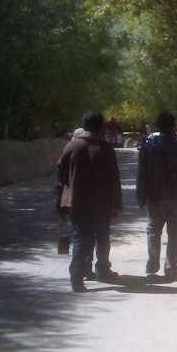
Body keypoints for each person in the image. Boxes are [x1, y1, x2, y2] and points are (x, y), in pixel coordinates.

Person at [57, 111, 123, 292]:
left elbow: (61, 177)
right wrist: (117, 204)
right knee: (102, 239)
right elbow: (114, 179)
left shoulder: (72, 147)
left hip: (77, 203)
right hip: (102, 204)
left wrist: (61, 204)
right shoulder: (106, 148)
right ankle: (102, 271)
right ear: (100, 127)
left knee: (81, 238)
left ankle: (77, 278)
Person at [137, 111, 177, 280]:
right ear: (173, 126)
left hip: (155, 198)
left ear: (158, 127)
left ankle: (152, 267)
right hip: (176, 198)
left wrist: (141, 195)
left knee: (153, 232)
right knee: (174, 234)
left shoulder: (149, 148)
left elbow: (142, 174)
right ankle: (171, 269)